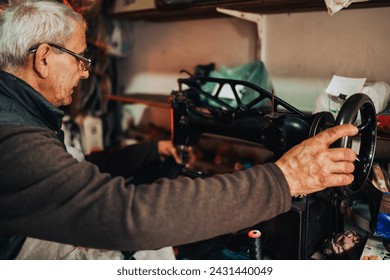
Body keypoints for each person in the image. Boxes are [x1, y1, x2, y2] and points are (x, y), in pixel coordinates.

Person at [0, 0, 358, 260]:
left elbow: (72, 178)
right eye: (80, 58)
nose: (85, 72)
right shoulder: (13, 136)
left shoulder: (22, 113)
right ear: (44, 58)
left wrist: (150, 151)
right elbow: (128, 215)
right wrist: (284, 179)